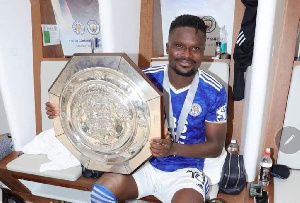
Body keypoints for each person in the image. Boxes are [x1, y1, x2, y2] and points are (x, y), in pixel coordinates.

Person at [46, 14, 227, 203]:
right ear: (168, 47)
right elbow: (103, 105)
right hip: (142, 164)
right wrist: (63, 110)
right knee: (101, 194)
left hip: (185, 173)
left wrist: (173, 148)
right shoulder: (142, 80)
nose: (187, 55)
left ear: (203, 51)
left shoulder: (214, 90)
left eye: (195, 48)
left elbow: (215, 147)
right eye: (179, 46)